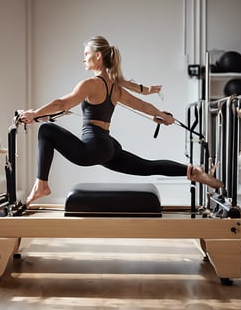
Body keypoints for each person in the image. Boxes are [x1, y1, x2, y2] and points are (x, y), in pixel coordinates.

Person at [19, 36, 223, 206]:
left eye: (86, 55)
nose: (83, 59)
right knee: (148, 166)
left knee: (46, 130)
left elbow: (61, 103)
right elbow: (142, 106)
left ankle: (41, 185)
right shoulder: (115, 87)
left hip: (94, 147)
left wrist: (33, 113)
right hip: (109, 146)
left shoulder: (90, 84)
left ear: (98, 56)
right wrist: (162, 115)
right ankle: (193, 171)